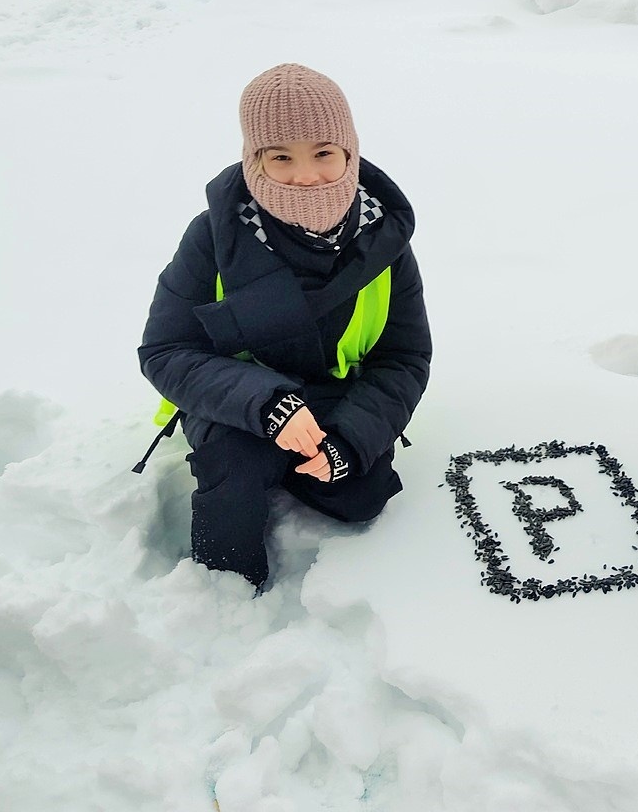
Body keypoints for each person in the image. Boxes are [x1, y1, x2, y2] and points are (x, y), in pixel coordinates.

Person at [138, 63, 432, 591]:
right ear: (255, 161)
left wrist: (348, 440)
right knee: (236, 469)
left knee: (361, 496)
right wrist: (266, 405)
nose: (306, 176)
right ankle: (224, 597)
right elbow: (165, 349)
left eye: (323, 152)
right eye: (281, 157)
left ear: (350, 152)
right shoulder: (212, 237)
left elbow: (404, 358)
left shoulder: (384, 241)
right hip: (235, 403)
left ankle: (306, 465)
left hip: (334, 399)